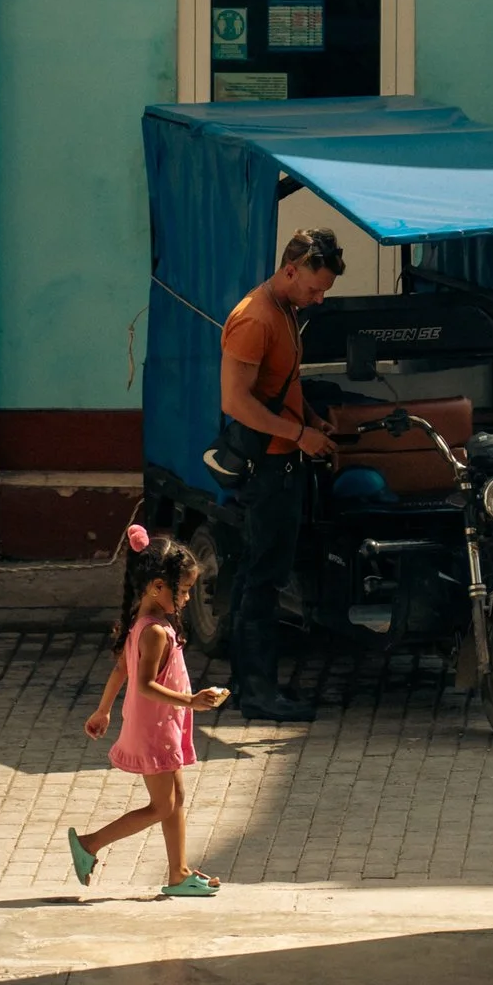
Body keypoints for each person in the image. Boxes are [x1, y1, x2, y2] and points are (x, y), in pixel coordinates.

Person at [218, 226, 345, 722]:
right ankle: (257, 694)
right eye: (314, 289)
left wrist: (310, 419)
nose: (316, 300)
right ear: (290, 269)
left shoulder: (287, 309)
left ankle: (247, 682)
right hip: (268, 465)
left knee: (260, 572)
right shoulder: (255, 318)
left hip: (283, 456)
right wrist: (296, 436)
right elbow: (236, 401)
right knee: (263, 578)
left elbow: (281, 383)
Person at [67, 525, 233, 897]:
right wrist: (190, 701)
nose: (188, 598)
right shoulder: (154, 631)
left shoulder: (143, 624)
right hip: (154, 728)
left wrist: (103, 710)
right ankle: (89, 844)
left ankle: (180, 873)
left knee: (175, 800)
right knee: (162, 806)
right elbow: (142, 684)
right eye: (184, 589)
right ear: (158, 585)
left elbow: (119, 670)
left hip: (162, 725)